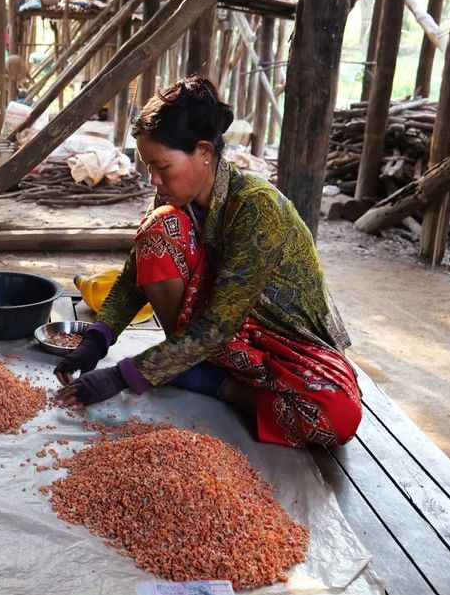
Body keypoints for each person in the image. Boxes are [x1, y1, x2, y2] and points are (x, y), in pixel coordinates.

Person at [53, 75, 361, 448]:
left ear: (203, 152)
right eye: (148, 167)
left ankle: (208, 379)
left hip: (282, 343)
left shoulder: (257, 207)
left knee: (336, 416)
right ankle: (186, 361)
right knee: (158, 230)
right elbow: (134, 276)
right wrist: (96, 340)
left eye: (162, 167)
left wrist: (122, 376)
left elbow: (219, 325)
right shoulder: (173, 201)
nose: (153, 180)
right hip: (218, 338)